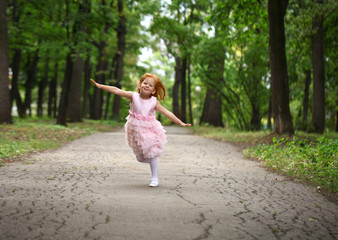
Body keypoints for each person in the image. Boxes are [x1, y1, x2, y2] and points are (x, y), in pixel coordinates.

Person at [90, 73, 191, 187]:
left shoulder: (153, 102)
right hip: (136, 130)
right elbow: (116, 90)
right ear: (139, 85)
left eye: (150, 85)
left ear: (153, 90)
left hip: (150, 129)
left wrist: (180, 123)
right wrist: (100, 86)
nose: (147, 86)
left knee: (152, 154)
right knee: (140, 158)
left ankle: (154, 178)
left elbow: (167, 113)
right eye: (145, 83)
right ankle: (153, 162)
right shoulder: (133, 96)